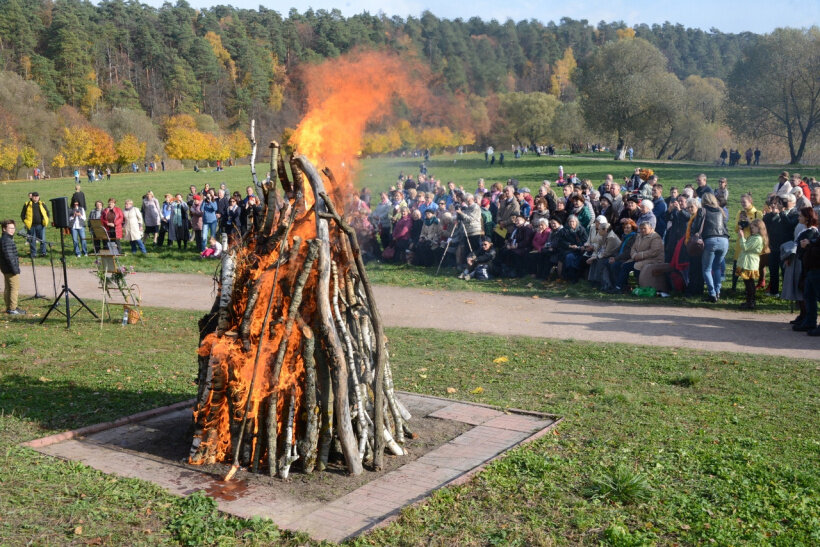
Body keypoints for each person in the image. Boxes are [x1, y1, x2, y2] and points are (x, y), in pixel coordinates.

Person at [695, 192, 730, 303]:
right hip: (724, 240)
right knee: (717, 267)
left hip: (710, 240)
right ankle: (718, 291)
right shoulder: (720, 210)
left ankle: (712, 294)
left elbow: (697, 226)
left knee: (707, 269)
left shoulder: (702, 210)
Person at [736, 219, 768, 310]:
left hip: (750, 263)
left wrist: (742, 237)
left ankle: (751, 302)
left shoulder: (757, 238)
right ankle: (749, 301)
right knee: (748, 283)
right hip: (747, 262)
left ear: (759, 228)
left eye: (753, 227)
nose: (751, 229)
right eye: (751, 227)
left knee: (749, 283)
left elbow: (745, 247)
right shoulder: (754, 237)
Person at [1, 219, 25, 315]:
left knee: (8, 288)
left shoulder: (5, 239)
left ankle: (10, 307)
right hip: (10, 269)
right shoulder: (6, 240)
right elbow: (9, 256)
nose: (12, 230)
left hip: (6, 268)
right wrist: (15, 269)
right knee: (14, 288)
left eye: (13, 228)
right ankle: (12, 308)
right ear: (4, 229)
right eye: (10, 228)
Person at [20, 192, 50, 257]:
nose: (36, 197)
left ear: (39, 197)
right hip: (31, 226)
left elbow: (47, 213)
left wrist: (46, 221)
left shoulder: (42, 204)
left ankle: (43, 252)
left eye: (37, 196)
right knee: (32, 240)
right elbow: (22, 215)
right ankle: (33, 254)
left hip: (40, 225)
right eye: (34, 196)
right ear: (32, 197)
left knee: (42, 239)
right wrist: (25, 222)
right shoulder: (27, 204)